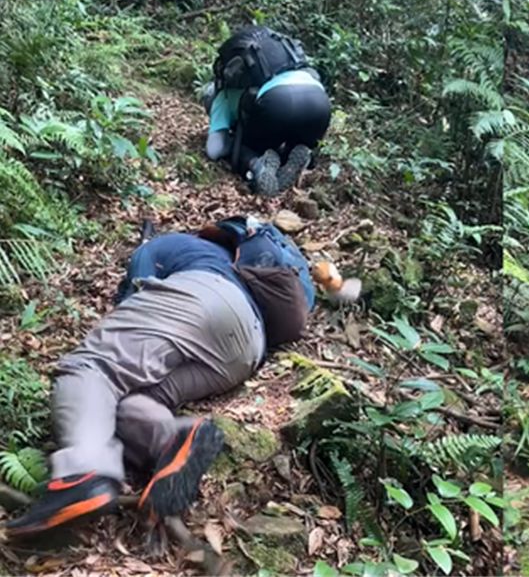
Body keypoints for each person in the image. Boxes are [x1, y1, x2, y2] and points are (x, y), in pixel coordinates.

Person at [2, 218, 317, 537]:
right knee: (125, 399)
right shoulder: (252, 274)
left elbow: (135, 301)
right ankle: (169, 440)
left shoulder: (165, 246)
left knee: (94, 367)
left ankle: (85, 471)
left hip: (203, 299)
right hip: (245, 351)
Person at [203, 25, 332, 196]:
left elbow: (214, 150)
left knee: (247, 145)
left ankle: (257, 166)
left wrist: (230, 141)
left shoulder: (222, 96)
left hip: (277, 102)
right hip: (319, 101)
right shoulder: (278, 68)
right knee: (285, 136)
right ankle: (300, 155)